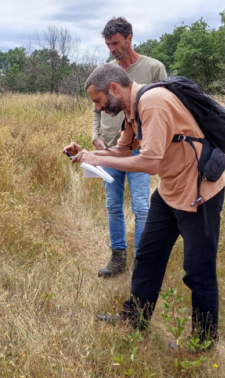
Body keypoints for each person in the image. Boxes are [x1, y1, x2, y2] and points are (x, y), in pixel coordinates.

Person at [64, 64, 225, 346]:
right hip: (170, 188)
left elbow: (149, 163)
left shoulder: (153, 102)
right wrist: (88, 153)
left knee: (198, 270)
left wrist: (98, 160)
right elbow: (125, 150)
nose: (99, 108)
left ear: (114, 88)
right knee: (148, 256)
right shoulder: (132, 109)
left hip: (199, 190)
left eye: (98, 101)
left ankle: (203, 342)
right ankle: (136, 316)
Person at [92, 17, 166, 277]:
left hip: (141, 150)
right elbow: (97, 109)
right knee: (113, 206)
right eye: (108, 44)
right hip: (113, 146)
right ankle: (118, 258)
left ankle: (141, 261)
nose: (112, 49)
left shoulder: (154, 68)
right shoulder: (107, 71)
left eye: (116, 43)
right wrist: (95, 140)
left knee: (141, 207)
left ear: (129, 38)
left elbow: (162, 108)